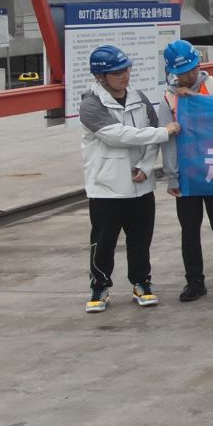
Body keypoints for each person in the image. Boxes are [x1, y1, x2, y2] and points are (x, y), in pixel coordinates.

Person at [78, 42, 177, 313]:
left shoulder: (138, 98)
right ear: (101, 77)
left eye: (126, 69)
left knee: (140, 241)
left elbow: (152, 133)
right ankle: (100, 286)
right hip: (106, 189)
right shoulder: (91, 105)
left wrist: (146, 166)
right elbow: (118, 136)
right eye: (117, 72)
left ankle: (141, 282)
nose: (124, 75)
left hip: (140, 186)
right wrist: (164, 132)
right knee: (103, 242)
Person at [159, 39, 213, 303]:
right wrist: (172, 175)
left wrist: (195, 98)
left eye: (192, 69)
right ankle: (194, 281)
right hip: (188, 172)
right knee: (190, 230)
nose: (189, 75)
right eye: (183, 72)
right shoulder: (168, 97)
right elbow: (167, 140)